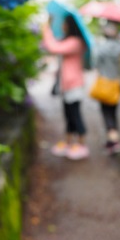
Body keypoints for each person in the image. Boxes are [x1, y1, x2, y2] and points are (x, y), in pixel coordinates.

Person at [42, 15, 89, 160]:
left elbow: (54, 47)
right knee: (68, 116)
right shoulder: (69, 40)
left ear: (70, 25)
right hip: (66, 85)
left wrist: (46, 28)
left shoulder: (76, 42)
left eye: (64, 23)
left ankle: (81, 144)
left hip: (74, 85)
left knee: (75, 115)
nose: (62, 26)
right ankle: (69, 142)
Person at [93, 21, 120, 155]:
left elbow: (95, 63)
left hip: (105, 83)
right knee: (113, 112)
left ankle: (114, 142)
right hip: (118, 83)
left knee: (106, 114)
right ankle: (111, 140)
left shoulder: (101, 47)